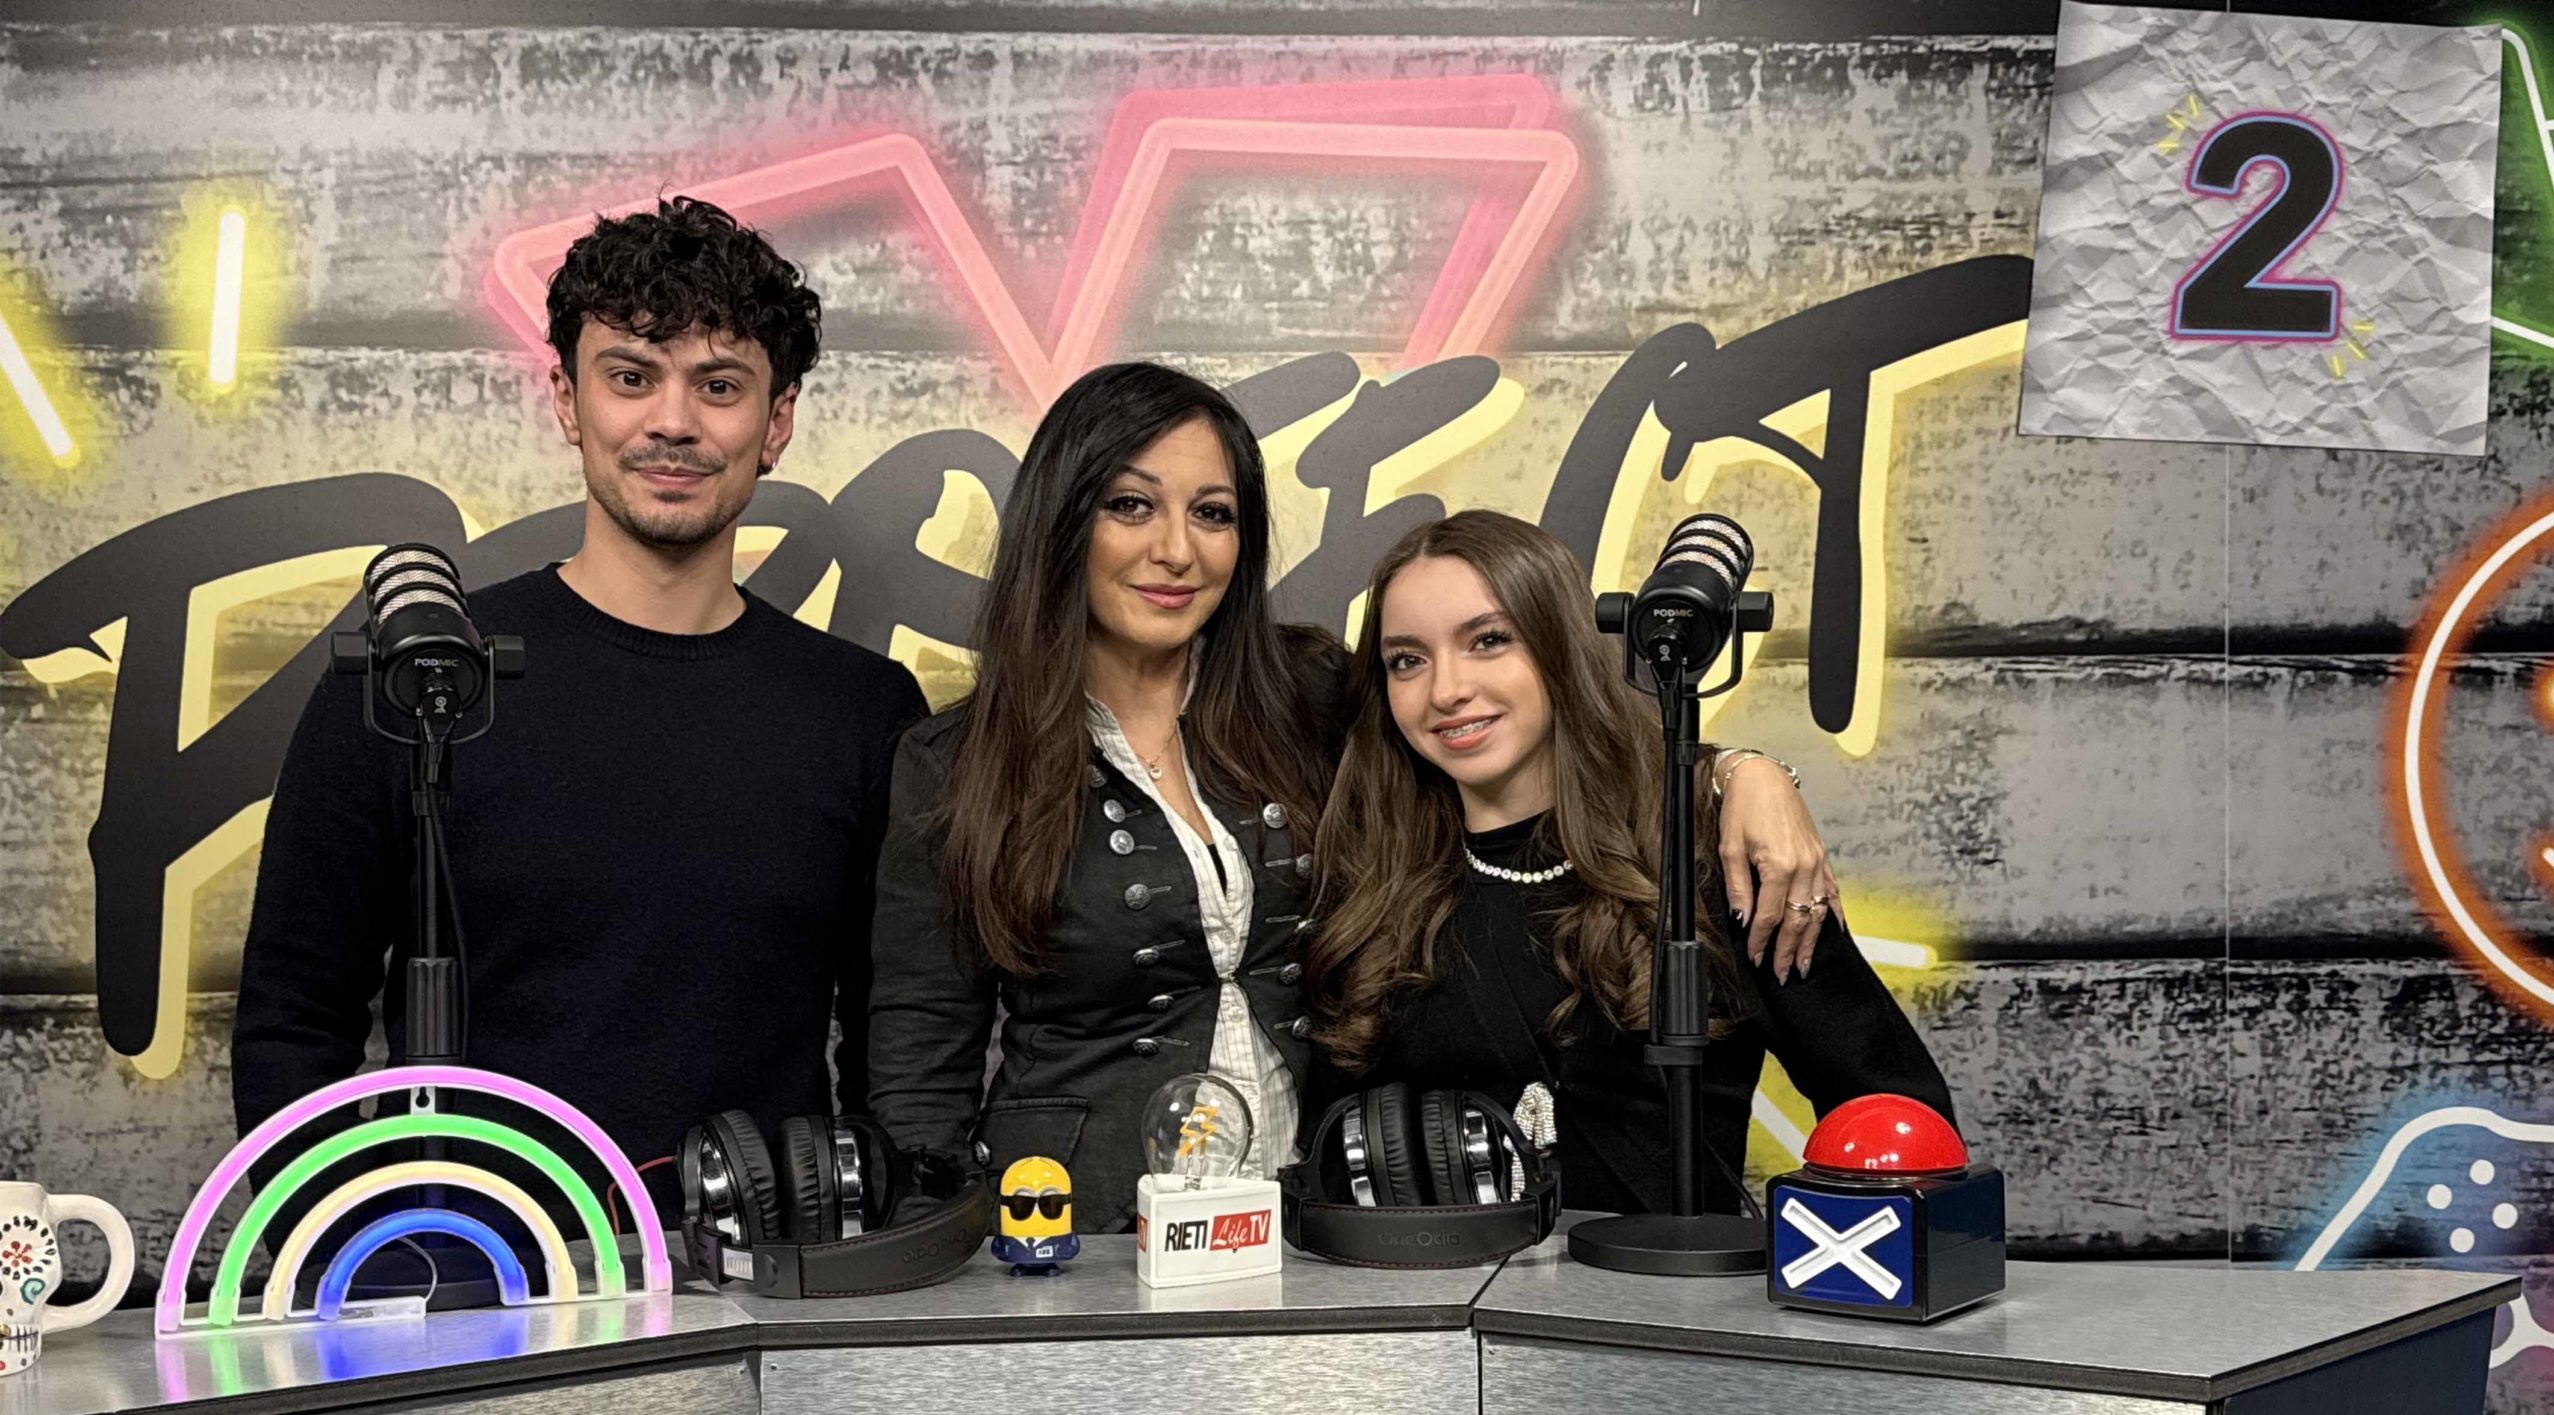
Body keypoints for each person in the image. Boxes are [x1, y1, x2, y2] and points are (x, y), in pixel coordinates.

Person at [867, 366, 1841, 1231]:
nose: (1177, 550)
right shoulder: (954, 761)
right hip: (1081, 1236)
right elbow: (919, 1066)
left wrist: (1734, 772)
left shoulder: (1308, 693)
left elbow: (1532, 746)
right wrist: (931, 1272)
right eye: (1131, 505)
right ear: (1060, 519)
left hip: (1328, 1226)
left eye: (1213, 514)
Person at [232, 197, 924, 1253]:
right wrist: (359, 1269)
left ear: (777, 420)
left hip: (773, 1298)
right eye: (631, 376)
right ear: (567, 398)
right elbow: (292, 1023)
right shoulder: (417, 688)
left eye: (720, 386)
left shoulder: (864, 712)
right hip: (478, 1298)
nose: (674, 423)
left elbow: (899, 1052)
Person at [1306, 509, 1953, 1215]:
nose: (1446, 690)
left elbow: (1903, 1117)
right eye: (1407, 660)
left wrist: (1814, 1256)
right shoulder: (1369, 889)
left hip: (1671, 1286)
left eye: (1489, 641)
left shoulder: (1714, 860)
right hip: (1439, 1283)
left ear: (1560, 646)